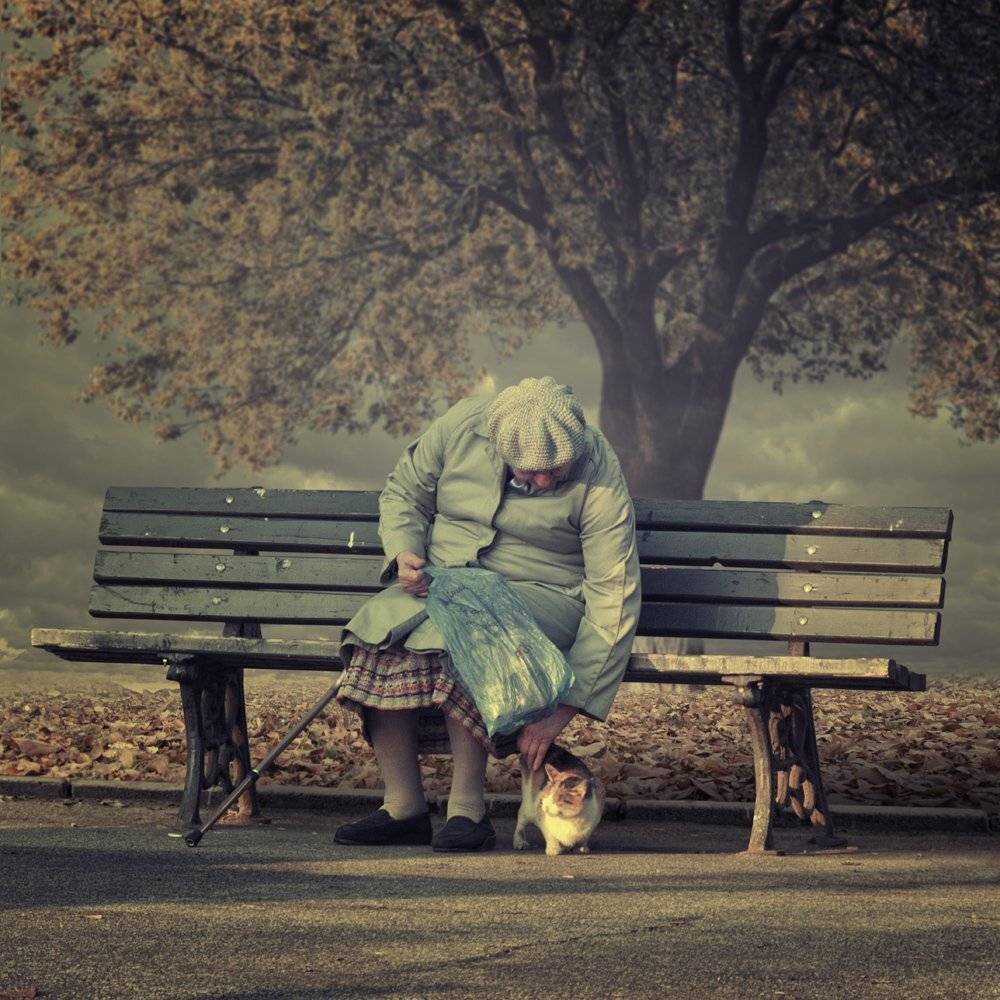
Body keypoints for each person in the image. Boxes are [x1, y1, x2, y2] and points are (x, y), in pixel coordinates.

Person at [333, 375, 641, 851]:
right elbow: (404, 494)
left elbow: (613, 592)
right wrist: (404, 553)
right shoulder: (462, 425)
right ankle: (403, 807)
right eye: (533, 470)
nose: (545, 481)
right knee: (379, 634)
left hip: (543, 594)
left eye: (557, 470)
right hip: (445, 580)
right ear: (499, 445)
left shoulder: (598, 468)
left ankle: (468, 811)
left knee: (465, 635)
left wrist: (566, 707)